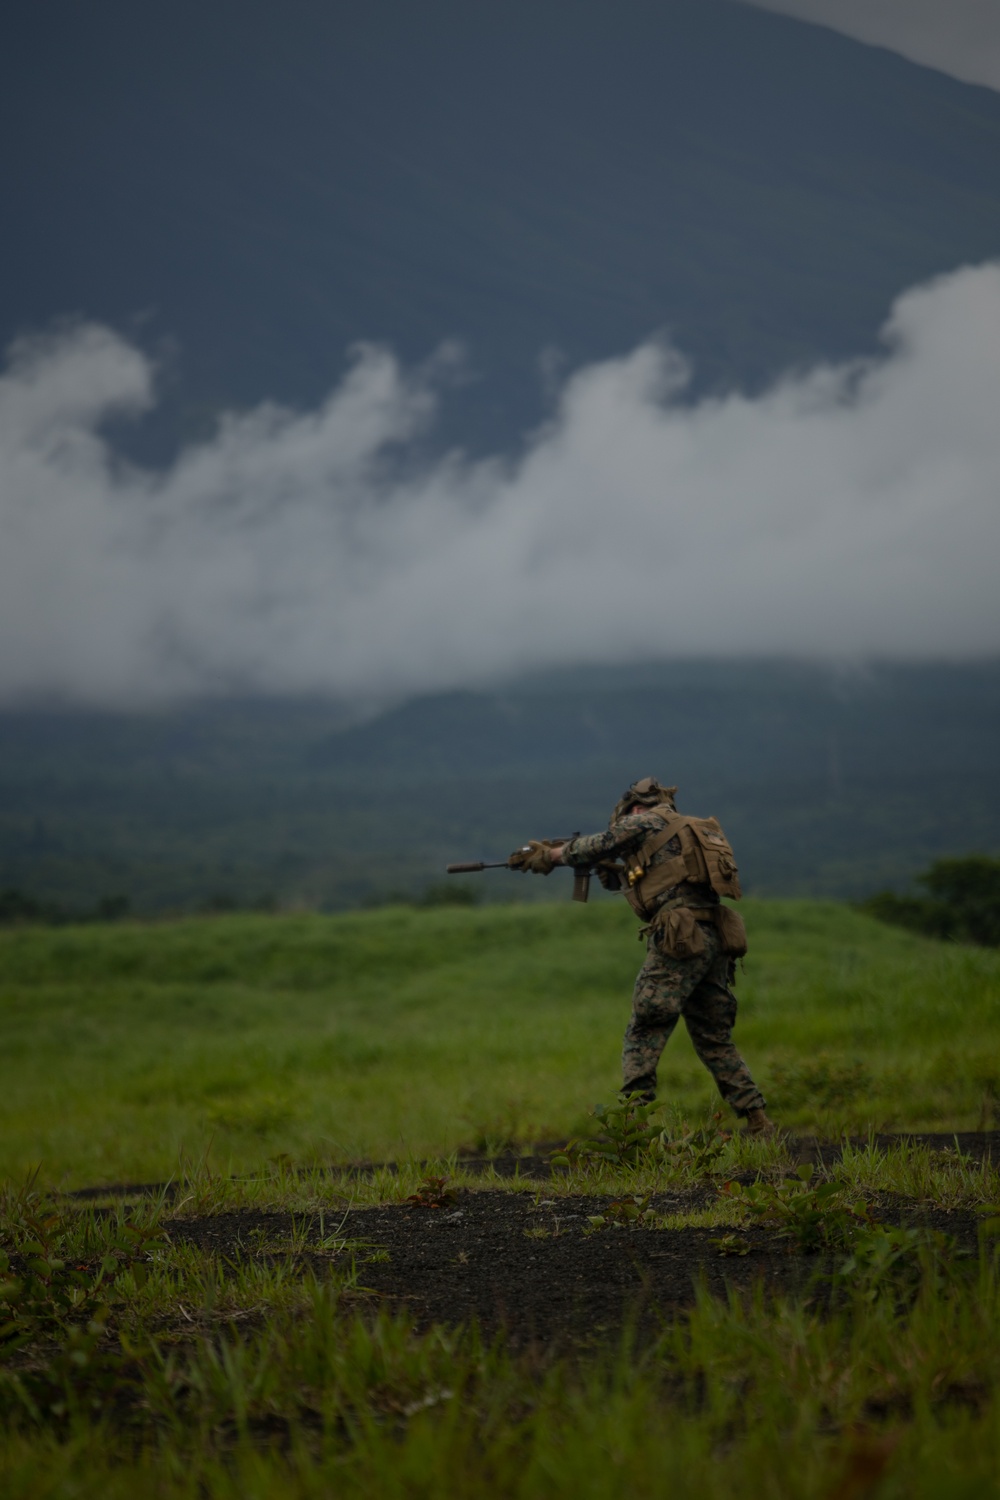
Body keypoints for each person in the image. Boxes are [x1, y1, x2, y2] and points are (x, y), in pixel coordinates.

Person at [509, 777, 774, 1133]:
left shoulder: (644, 820)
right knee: (715, 1038)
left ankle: (634, 1126)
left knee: (645, 1026)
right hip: (713, 936)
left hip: (680, 936)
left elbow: (594, 845)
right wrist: (612, 870)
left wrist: (551, 856)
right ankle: (758, 1121)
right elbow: (653, 880)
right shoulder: (693, 829)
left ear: (634, 807)